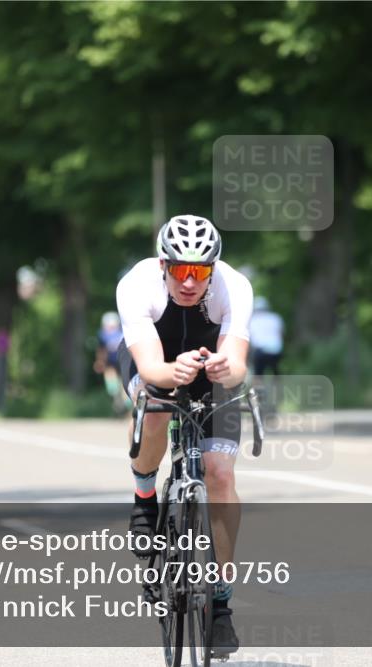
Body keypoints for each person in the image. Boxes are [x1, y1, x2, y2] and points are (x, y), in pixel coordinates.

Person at [116, 215, 252, 657]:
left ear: (213, 268)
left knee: (221, 476)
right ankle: (144, 495)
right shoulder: (137, 285)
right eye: (180, 271)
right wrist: (172, 374)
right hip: (156, 363)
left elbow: (238, 366)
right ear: (163, 265)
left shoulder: (235, 287)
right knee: (156, 407)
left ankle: (221, 601)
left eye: (200, 271)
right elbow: (152, 368)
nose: (190, 282)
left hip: (211, 374)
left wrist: (222, 368)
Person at [93, 311, 129, 415]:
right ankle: (116, 394)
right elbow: (102, 350)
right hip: (110, 362)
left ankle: (124, 402)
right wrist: (100, 362)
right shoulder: (102, 335)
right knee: (112, 384)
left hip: (122, 361)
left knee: (124, 384)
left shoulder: (123, 332)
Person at [248, 296, 284, 376]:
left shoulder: (253, 320)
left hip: (260, 352)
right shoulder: (276, 318)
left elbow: (250, 339)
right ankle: (278, 386)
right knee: (276, 371)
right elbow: (281, 334)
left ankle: (258, 387)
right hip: (276, 351)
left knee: (258, 373)